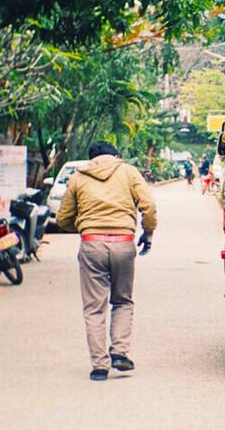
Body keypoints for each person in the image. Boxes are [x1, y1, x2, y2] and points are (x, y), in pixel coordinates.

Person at [56, 141, 157, 382]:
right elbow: (149, 206)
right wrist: (148, 232)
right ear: (115, 155)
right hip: (123, 242)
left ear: (91, 159)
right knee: (122, 300)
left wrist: (85, 228)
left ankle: (99, 366)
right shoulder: (128, 172)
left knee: (94, 308)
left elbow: (62, 218)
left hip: (91, 245)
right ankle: (119, 353)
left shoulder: (78, 178)